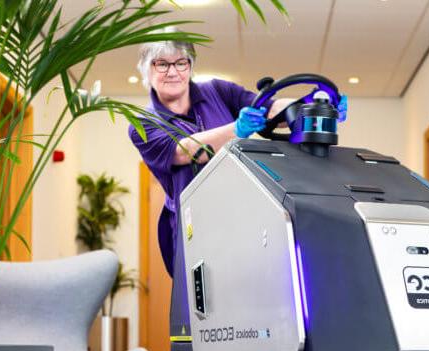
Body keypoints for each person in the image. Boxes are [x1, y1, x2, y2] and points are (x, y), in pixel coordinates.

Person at [129, 33, 347, 277]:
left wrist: (313, 107)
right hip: (196, 225)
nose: (173, 72)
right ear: (146, 70)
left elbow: (270, 109)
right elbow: (185, 152)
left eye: (181, 62)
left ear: (190, 67)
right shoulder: (143, 125)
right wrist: (237, 130)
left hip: (242, 212)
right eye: (162, 64)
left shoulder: (217, 90)